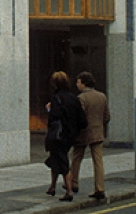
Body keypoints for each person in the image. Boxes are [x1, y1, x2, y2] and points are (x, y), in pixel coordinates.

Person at [67, 71, 110, 201]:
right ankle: (100, 188)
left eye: (78, 82)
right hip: (97, 132)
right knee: (98, 161)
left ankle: (73, 182)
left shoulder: (81, 98)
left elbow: (78, 117)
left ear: (83, 84)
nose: (76, 84)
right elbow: (107, 116)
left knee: (76, 158)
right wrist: (99, 125)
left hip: (83, 134)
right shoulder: (102, 96)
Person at [44, 71, 82, 199]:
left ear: (54, 84)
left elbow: (54, 117)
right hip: (69, 135)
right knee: (55, 159)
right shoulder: (74, 98)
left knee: (62, 161)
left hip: (58, 135)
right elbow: (82, 119)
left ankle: (69, 191)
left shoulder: (56, 98)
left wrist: (49, 109)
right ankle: (52, 186)